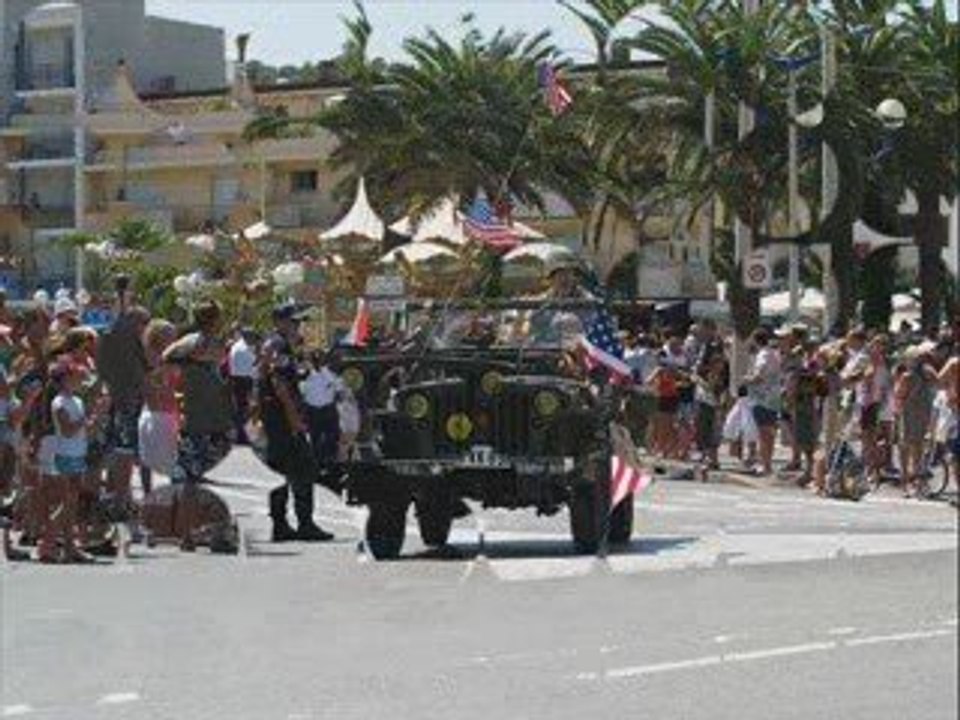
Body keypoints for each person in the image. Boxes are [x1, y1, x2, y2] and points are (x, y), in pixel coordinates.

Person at [163, 301, 234, 550]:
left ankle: (198, 533)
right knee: (193, 482)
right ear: (213, 319)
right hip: (198, 419)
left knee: (199, 481)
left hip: (212, 418)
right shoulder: (195, 342)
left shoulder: (213, 342)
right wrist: (193, 357)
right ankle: (195, 534)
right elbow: (167, 356)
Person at [259, 303, 333, 543]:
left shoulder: (275, 344)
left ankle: (280, 524)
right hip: (282, 418)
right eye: (294, 322)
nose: (298, 326)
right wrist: (294, 419)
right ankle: (304, 524)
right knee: (304, 468)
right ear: (280, 322)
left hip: (274, 417)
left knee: (281, 470)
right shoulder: (279, 345)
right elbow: (279, 384)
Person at [46, 361, 107, 563]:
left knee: (71, 504)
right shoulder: (59, 402)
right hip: (65, 455)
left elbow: (85, 431)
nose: (79, 379)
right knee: (67, 503)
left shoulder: (77, 401)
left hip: (78, 454)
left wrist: (98, 415)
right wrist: (87, 417)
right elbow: (67, 430)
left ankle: (68, 548)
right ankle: (47, 545)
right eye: (75, 376)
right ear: (64, 380)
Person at [96, 298, 150, 500]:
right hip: (124, 399)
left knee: (121, 448)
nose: (145, 329)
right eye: (144, 323)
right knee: (123, 449)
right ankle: (121, 494)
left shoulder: (116, 337)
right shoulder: (119, 338)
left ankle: (118, 491)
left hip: (127, 398)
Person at [138, 320, 180, 476]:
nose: (174, 338)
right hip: (158, 413)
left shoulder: (167, 358)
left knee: (154, 458)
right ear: (157, 336)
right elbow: (152, 385)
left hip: (166, 411)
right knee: (157, 459)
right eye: (169, 334)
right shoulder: (156, 359)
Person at [744, 329, 781, 475]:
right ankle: (767, 464)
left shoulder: (763, 355)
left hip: (762, 398)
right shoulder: (774, 353)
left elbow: (759, 376)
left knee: (764, 433)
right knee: (770, 433)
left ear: (755, 340)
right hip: (773, 397)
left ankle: (765, 465)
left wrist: (747, 379)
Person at [301, 350, 343, 469]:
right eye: (315, 360)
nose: (317, 362)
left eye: (319, 360)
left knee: (332, 438)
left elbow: (339, 391)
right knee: (315, 439)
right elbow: (302, 392)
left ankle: (331, 463)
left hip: (328, 410)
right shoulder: (305, 376)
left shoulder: (332, 375)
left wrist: (325, 373)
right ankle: (317, 465)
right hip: (312, 411)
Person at [227, 328, 258, 444]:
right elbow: (253, 367)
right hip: (243, 381)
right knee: (244, 409)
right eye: (253, 337)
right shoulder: (243, 349)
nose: (254, 340)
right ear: (248, 336)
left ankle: (240, 435)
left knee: (240, 409)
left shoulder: (237, 346)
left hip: (237, 379)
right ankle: (242, 436)